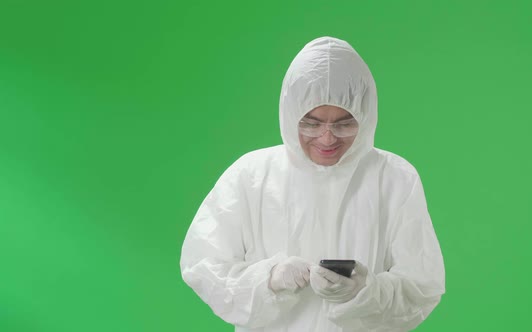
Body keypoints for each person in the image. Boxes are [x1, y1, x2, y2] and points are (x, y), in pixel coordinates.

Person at [180, 36, 445, 332]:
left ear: (366, 116)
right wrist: (270, 279)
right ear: (290, 113)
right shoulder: (251, 176)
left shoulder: (394, 178)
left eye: (344, 123)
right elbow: (204, 267)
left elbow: (422, 287)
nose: (327, 138)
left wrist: (364, 291)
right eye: (312, 122)